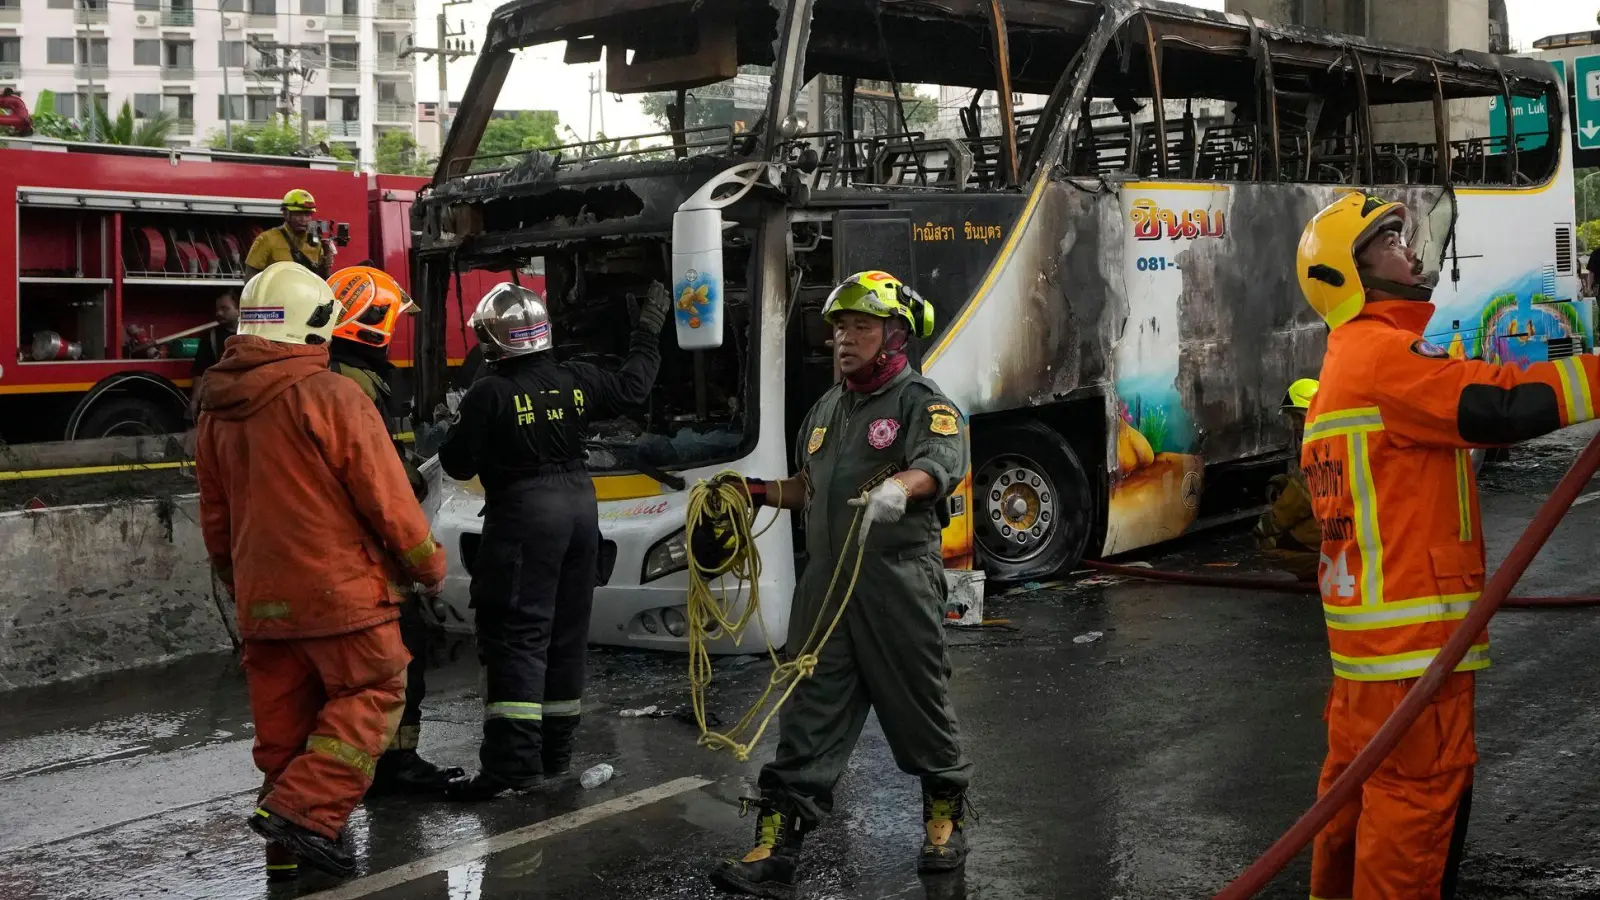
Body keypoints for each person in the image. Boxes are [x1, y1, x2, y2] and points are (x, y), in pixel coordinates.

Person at [1297, 192, 1600, 899]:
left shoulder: (1343, 369)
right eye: (1388, 242)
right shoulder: (1381, 356)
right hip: (1412, 660)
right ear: (1349, 274)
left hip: (1370, 667)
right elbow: (1499, 404)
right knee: (1412, 820)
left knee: (1350, 807)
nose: (1409, 251)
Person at [710, 270, 972, 898]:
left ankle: (943, 819)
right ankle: (774, 852)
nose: (844, 340)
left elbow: (940, 466)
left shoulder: (921, 401)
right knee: (807, 715)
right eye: (838, 329)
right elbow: (810, 488)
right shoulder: (826, 410)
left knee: (919, 706)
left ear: (894, 335)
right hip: (826, 592)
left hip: (897, 585)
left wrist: (899, 488)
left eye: (860, 327)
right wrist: (757, 494)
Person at [193, 261, 447, 880]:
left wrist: (242, 583)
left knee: (286, 728)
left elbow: (217, 520)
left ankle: (285, 855)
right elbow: (387, 499)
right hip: (342, 595)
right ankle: (307, 817)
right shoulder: (333, 396)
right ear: (313, 326)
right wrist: (427, 566)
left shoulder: (214, 411)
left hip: (263, 599)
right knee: (374, 691)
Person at [438, 280, 670, 799]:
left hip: (525, 513)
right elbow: (634, 387)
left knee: (518, 635)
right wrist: (647, 333)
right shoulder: (576, 378)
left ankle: (512, 767)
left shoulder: (490, 393)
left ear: (491, 340)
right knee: (566, 634)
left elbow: (456, 462)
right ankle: (554, 756)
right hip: (580, 508)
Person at [324, 265, 465, 795]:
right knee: (401, 656)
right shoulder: (352, 384)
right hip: (369, 552)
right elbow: (375, 475)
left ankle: (386, 766)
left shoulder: (351, 374)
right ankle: (391, 769)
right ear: (373, 323)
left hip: (357, 550)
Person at [1252, 377, 1320, 580]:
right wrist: (1281, 481)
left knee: (1268, 545)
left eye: (1296, 417)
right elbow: (1301, 479)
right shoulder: (1327, 439)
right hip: (1337, 523)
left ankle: (1324, 568)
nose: (1294, 425)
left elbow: (1302, 495)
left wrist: (1269, 525)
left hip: (1326, 527)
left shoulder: (1317, 447)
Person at [244, 190, 335, 282]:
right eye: (298, 214)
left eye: (307, 214)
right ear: (286, 214)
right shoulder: (266, 239)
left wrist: (325, 265)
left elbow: (319, 279)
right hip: (276, 295)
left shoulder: (316, 242)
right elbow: (250, 279)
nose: (304, 219)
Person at [188, 291, 240, 421]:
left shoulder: (252, 334)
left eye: (224, 308)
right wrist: (194, 401)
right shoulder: (210, 337)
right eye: (217, 309)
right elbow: (200, 370)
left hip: (244, 400)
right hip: (220, 401)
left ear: (239, 310)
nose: (219, 313)